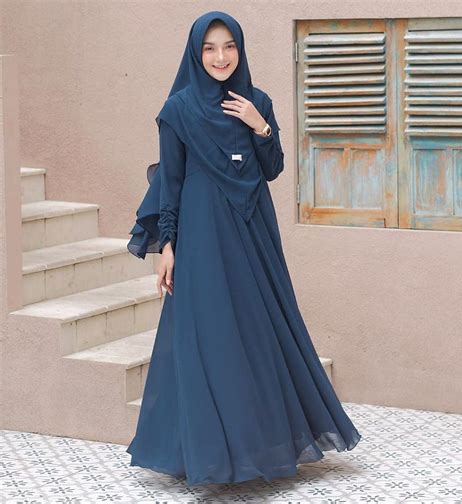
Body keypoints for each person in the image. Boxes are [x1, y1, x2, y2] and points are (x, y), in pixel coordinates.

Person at [126, 10, 362, 487]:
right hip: (201, 233)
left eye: (229, 46)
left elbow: (272, 169)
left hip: (253, 229)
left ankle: (260, 448)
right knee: (208, 334)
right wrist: (167, 245)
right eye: (210, 48)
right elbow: (171, 183)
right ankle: (211, 457)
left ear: (240, 49)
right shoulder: (178, 110)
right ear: (196, 52)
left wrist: (260, 126)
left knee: (260, 329)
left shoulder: (259, 102)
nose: (221, 57)